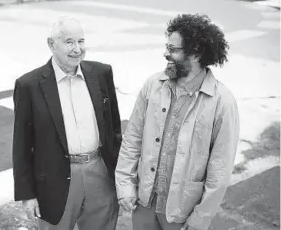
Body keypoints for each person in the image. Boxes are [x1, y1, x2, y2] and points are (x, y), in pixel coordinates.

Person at [115, 13, 240, 230]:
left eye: (173, 50)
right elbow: (132, 138)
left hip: (183, 215)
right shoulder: (153, 85)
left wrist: (200, 218)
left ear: (197, 53)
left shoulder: (223, 103)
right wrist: (124, 184)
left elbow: (220, 170)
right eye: (167, 47)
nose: (166, 53)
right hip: (144, 205)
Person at [12, 16, 122, 230]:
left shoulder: (101, 73)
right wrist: (27, 195)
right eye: (69, 42)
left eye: (81, 41)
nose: (77, 49)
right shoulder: (29, 85)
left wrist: (121, 174)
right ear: (51, 44)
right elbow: (21, 144)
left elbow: (114, 129)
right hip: (54, 179)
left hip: (99, 171)